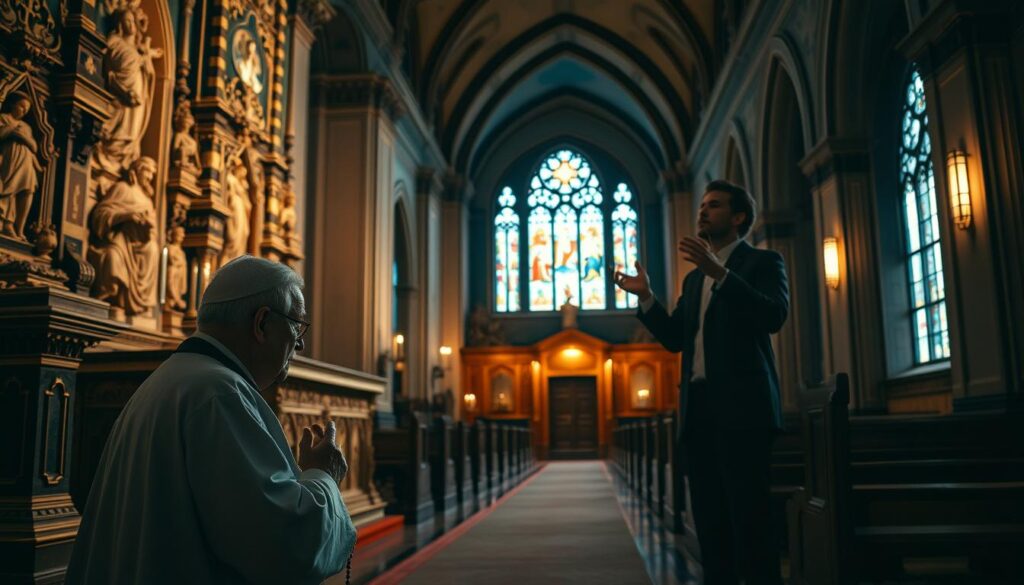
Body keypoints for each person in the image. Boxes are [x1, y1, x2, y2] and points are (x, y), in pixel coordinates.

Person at [67, 255, 357, 584]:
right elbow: (284, 545)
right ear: (261, 324)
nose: (300, 343)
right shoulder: (220, 395)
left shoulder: (167, 382)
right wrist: (324, 474)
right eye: (296, 325)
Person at [615, 179, 788, 585]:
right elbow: (676, 339)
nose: (702, 212)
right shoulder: (693, 281)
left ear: (738, 216)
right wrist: (646, 298)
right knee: (710, 522)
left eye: (714, 206)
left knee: (750, 521)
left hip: (745, 410)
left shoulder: (764, 263)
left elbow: (772, 317)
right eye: (702, 206)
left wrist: (721, 273)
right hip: (700, 412)